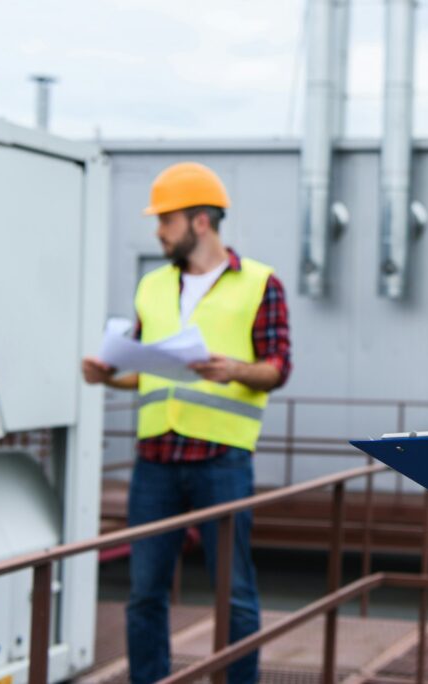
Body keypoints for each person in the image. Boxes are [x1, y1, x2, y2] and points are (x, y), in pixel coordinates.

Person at [81, 162, 291, 684]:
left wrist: (234, 369)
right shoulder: (152, 286)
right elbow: (151, 372)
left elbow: (277, 368)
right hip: (155, 461)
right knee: (144, 593)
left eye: (165, 219)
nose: (157, 230)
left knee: (234, 593)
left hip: (222, 459)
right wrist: (109, 374)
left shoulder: (260, 283)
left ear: (200, 221)